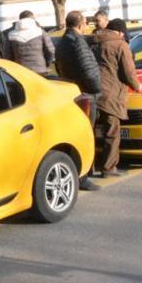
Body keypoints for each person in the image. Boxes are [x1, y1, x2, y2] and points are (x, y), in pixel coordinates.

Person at [55, 11, 103, 191]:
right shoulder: (77, 43)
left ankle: (81, 174)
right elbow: (89, 71)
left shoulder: (64, 41)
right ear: (81, 24)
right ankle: (84, 176)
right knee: (85, 135)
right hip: (86, 94)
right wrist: (97, 89)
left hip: (74, 90)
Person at [94, 18, 142, 178]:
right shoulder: (121, 45)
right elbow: (129, 72)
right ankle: (108, 168)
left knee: (91, 131)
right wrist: (138, 86)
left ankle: (87, 169)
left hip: (91, 92)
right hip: (110, 94)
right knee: (112, 132)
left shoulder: (93, 42)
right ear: (121, 32)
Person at [6, 11, 55, 75]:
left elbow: (8, 55)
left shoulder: (11, 34)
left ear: (20, 19)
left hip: (21, 71)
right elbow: (51, 50)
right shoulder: (40, 31)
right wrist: (46, 63)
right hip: (40, 70)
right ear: (32, 19)